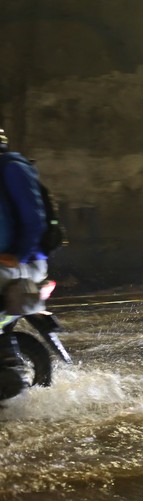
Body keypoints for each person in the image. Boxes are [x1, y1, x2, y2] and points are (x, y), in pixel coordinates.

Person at [0, 127, 48, 399]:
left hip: (21, 262)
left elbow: (34, 220)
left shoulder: (13, 169)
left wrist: (18, 255)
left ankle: (8, 370)